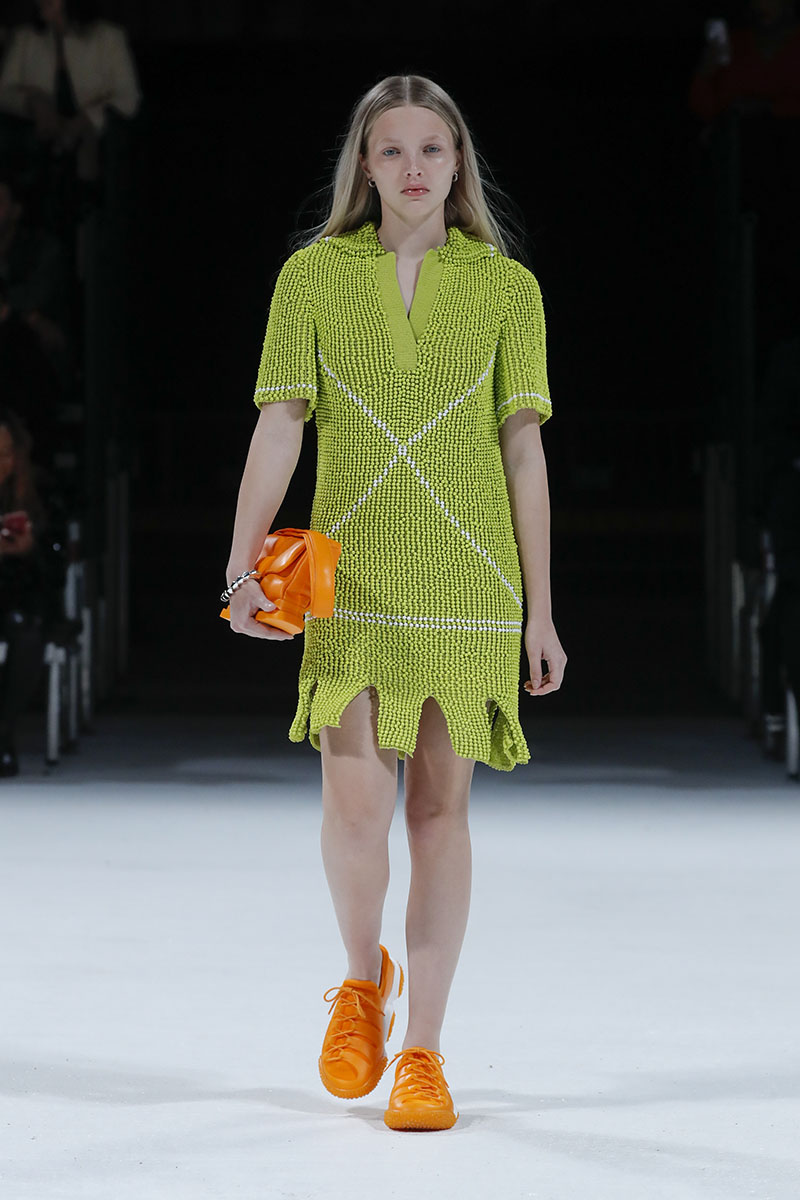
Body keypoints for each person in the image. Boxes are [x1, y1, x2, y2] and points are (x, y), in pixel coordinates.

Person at [223, 74, 567, 1132]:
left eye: (431, 148)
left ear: (458, 163)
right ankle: (360, 978)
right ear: (363, 168)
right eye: (391, 150)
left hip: (468, 583)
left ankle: (423, 1051)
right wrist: (241, 566)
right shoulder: (312, 278)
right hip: (354, 576)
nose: (413, 167)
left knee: (437, 812)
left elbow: (523, 452)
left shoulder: (506, 288)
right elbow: (280, 423)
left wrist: (540, 610)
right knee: (354, 809)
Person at [0, 0, 141, 184]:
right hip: (39, 140)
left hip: (92, 138)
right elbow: (4, 91)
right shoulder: (25, 38)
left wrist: (84, 121)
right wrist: (33, 102)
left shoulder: (108, 37)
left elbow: (128, 97)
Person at [0, 407, 58, 777]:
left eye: (7, 453)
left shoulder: (36, 494)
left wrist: (29, 548)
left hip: (18, 596)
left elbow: (56, 565)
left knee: (27, 635)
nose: (1, 463)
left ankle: (3, 733)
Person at [689, 0, 800, 123]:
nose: (761, 5)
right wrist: (704, 73)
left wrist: (770, 108)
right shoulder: (733, 44)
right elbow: (706, 109)